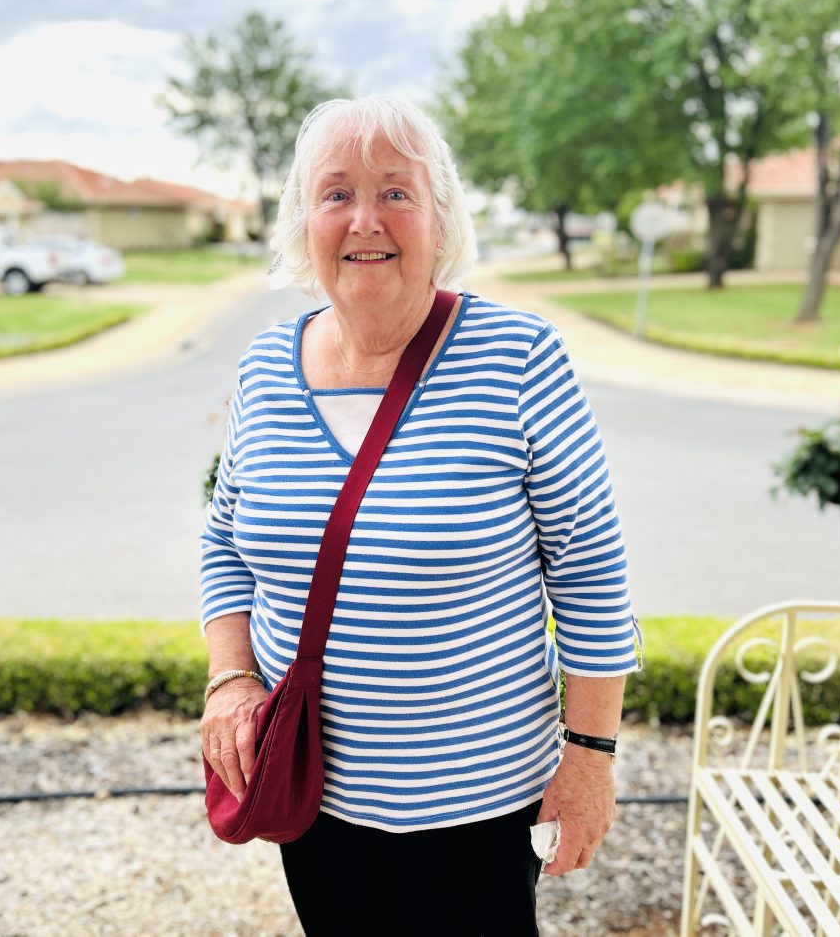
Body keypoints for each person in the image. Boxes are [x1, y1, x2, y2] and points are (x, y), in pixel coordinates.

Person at [199, 95, 642, 936]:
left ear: (441, 219)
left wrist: (589, 760)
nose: (366, 219)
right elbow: (224, 539)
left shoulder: (517, 357)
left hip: (478, 807)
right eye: (336, 194)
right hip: (312, 792)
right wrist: (230, 679)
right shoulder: (265, 367)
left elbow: (592, 577)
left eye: (396, 192)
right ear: (305, 223)